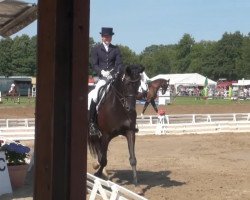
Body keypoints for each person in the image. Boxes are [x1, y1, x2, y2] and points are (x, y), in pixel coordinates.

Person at [88, 27, 123, 135]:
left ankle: (128, 120)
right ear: (102, 37)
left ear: (111, 37)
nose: (107, 38)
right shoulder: (96, 49)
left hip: (113, 77)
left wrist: (114, 73)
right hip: (102, 78)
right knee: (94, 95)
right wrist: (102, 72)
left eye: (109, 36)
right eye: (105, 36)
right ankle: (92, 124)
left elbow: (119, 64)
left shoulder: (116, 49)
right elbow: (94, 64)